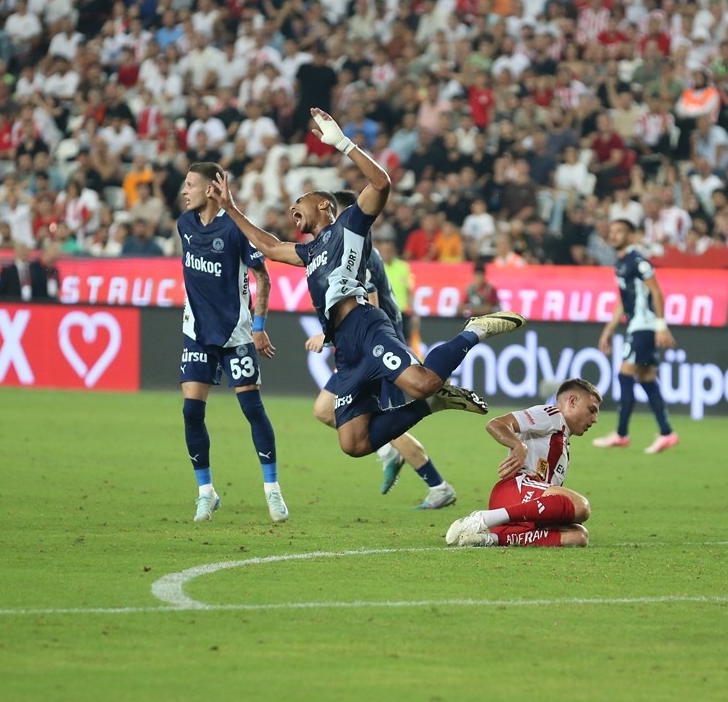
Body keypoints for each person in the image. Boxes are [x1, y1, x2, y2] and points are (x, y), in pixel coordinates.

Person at [211, 108, 526, 458]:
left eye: (298, 203)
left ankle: (475, 331)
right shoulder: (308, 250)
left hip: (365, 324)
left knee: (422, 383)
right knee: (354, 444)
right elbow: (268, 246)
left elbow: (381, 184)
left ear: (322, 205)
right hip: (345, 348)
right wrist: (230, 207)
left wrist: (343, 144)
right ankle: (434, 406)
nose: (291, 209)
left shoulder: (349, 226)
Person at [306, 190, 458, 510]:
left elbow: (369, 302)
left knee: (384, 423)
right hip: (356, 348)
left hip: (375, 346)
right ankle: (388, 451)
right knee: (323, 409)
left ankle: (438, 486)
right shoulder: (345, 247)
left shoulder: (357, 249)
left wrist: (332, 337)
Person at [177, 161, 288, 524]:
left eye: (191, 184)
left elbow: (263, 279)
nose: (184, 190)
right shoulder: (184, 225)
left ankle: (272, 490)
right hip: (196, 331)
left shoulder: (236, 230)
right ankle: (205, 493)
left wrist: (258, 326)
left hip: (237, 334)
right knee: (191, 412)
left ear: (211, 189)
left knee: (252, 410)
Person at [444, 378, 601, 548]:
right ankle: (481, 518)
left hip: (523, 505)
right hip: (514, 490)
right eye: (591, 410)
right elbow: (496, 424)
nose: (594, 419)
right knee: (580, 507)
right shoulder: (551, 415)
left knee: (578, 536)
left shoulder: (562, 442)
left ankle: (490, 539)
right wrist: (518, 445)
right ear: (572, 401)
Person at [592, 218, 679, 454]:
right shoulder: (621, 263)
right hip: (637, 325)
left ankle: (621, 433)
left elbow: (657, 292)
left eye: (619, 231)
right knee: (647, 378)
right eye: (611, 231)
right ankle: (666, 433)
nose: (613, 235)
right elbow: (623, 299)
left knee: (625, 375)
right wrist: (609, 329)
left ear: (630, 236)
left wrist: (661, 325)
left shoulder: (638, 261)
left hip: (645, 326)